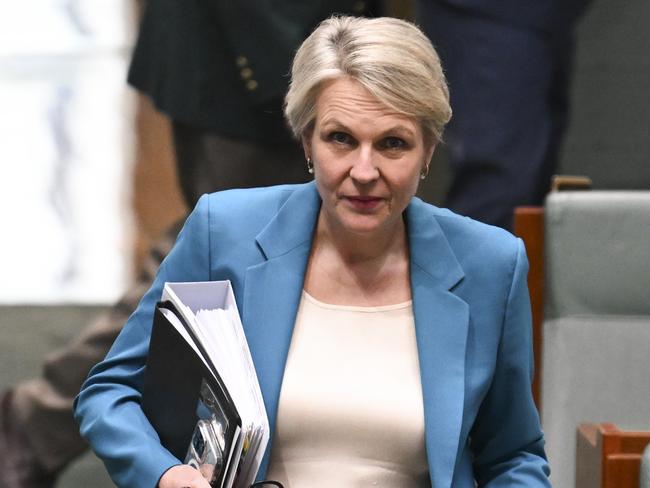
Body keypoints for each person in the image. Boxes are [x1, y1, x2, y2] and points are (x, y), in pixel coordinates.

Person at [75, 15, 550, 488]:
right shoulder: (223, 233)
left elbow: (513, 455)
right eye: (340, 139)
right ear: (307, 140)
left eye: (392, 144)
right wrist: (166, 476)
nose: (364, 171)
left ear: (427, 152)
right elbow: (111, 392)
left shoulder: (490, 266)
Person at [0, 3, 378, 488]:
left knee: (222, 250)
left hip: (306, 56)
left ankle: (35, 424)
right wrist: (297, 79)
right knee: (211, 256)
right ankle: (35, 425)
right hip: (251, 56)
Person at [417, 0, 593, 230]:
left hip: (544, 17)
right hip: (491, 13)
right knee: (496, 181)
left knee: (533, 189)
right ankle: (471, 267)